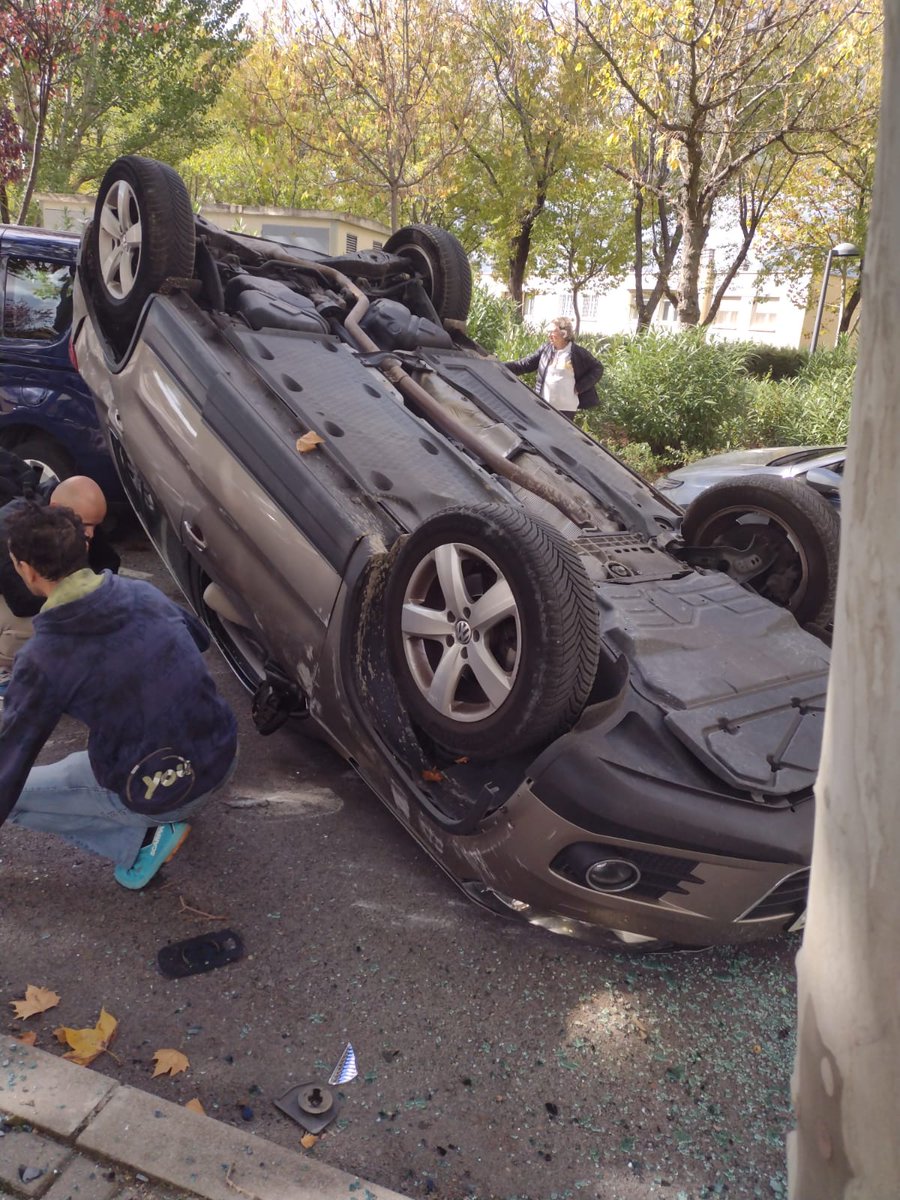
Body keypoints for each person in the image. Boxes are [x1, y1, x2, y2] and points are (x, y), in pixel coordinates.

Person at [0, 501, 237, 889]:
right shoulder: (142, 592)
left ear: (26, 570)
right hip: (221, 755)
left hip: (166, 790)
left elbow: (9, 766)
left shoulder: (43, 658)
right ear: (84, 547)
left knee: (16, 798)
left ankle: (140, 842)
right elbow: (199, 639)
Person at [0, 474, 119, 695]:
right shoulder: (12, 530)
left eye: (95, 526)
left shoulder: (77, 515)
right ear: (56, 508)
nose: (90, 534)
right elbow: (21, 601)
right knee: (41, 628)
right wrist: (81, 597)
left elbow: (110, 562)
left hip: (39, 592)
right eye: (86, 525)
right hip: (12, 598)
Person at [505, 316, 604, 418]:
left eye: (552, 332)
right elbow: (524, 365)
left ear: (564, 333)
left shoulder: (577, 353)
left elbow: (598, 368)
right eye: (548, 332)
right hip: (543, 405)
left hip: (566, 409)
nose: (549, 335)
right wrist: (499, 365)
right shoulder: (545, 350)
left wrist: (581, 386)